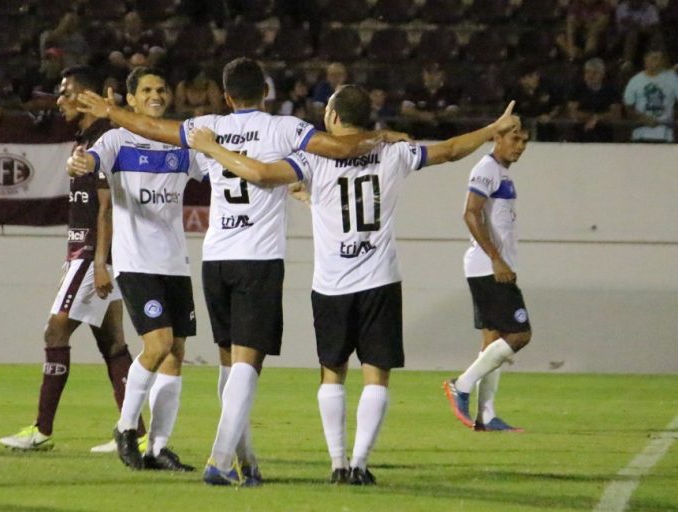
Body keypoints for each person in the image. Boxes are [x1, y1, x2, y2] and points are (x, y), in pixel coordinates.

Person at [75, 57, 407, 486]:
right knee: (248, 368)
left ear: (227, 96)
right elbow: (342, 147)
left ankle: (245, 463)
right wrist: (381, 137)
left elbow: (155, 129)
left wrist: (112, 113)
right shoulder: (285, 129)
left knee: (230, 367)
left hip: (216, 260)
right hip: (258, 260)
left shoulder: (208, 125)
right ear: (265, 93)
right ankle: (218, 459)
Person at [187, 86, 519, 485]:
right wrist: (491, 130)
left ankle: (338, 463)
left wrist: (214, 149)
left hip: (330, 284)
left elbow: (262, 174)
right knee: (376, 376)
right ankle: (360, 465)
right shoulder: (395, 151)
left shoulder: (314, 156)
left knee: (332, 375)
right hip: (379, 279)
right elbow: (448, 150)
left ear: (334, 117)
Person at [0, 65, 145, 452]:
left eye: (66, 93)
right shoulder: (88, 137)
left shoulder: (105, 139)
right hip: (92, 255)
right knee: (113, 343)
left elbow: (107, 205)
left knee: (55, 330)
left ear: (88, 96)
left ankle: (41, 430)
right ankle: (135, 432)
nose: (59, 100)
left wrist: (98, 263)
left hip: (93, 255)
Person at [66, 66, 200, 471]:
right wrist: (80, 162)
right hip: (137, 261)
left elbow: (218, 169)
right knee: (157, 346)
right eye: (147, 90)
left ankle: (159, 448)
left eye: (161, 88)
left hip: (175, 262)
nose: (156, 94)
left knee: (175, 353)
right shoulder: (116, 139)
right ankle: (126, 429)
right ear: (133, 99)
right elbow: (90, 160)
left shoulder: (182, 143)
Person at [443, 125, 531, 433]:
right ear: (497, 138)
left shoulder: (502, 173)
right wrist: (496, 258)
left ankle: (486, 415)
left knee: (493, 340)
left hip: (491, 266)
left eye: (524, 141)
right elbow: (470, 213)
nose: (520, 146)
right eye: (514, 138)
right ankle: (461, 385)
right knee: (519, 334)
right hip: (487, 267)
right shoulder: (486, 168)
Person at [622, 48, 678, 142]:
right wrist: (642, 118)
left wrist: (674, 116)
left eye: (659, 59)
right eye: (654, 58)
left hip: (665, 135)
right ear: (646, 59)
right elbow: (628, 106)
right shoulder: (635, 81)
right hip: (640, 134)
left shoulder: (672, 79)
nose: (657, 62)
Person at [566, 57, 623, 142]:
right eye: (588, 72)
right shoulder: (577, 89)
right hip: (580, 136)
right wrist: (593, 117)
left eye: (595, 73)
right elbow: (572, 113)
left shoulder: (612, 90)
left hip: (604, 136)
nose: (590, 76)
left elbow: (616, 114)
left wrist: (597, 118)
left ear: (603, 74)